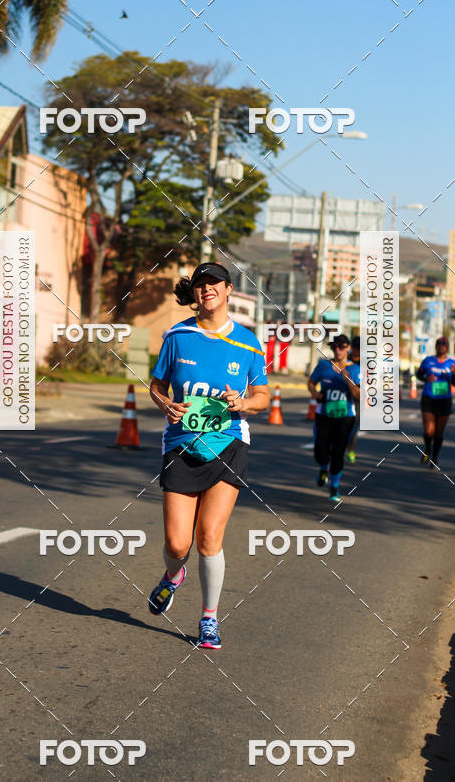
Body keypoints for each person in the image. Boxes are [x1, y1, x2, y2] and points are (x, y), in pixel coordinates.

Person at [148, 262, 269, 649]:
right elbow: (156, 385)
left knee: (208, 537)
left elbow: (263, 397)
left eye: (214, 283)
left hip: (228, 444)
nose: (207, 289)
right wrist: (165, 404)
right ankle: (171, 577)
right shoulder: (177, 336)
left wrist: (244, 403)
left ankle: (209, 619)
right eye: (200, 284)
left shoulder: (248, 343)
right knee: (177, 544)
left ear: (229, 289)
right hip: (181, 445)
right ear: (195, 293)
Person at [308, 333, 361, 503]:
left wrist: (349, 380)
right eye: (335, 346)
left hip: (345, 417)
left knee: (338, 453)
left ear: (348, 348)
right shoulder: (323, 365)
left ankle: (334, 487)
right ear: (332, 348)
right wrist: (315, 393)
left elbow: (359, 396)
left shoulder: (355, 369)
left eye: (342, 346)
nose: (338, 349)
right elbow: (310, 382)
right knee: (320, 453)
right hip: (324, 414)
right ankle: (323, 468)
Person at [416, 336, 455, 467]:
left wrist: (454, 374)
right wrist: (426, 378)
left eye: (444, 344)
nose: (441, 346)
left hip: (444, 400)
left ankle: (434, 458)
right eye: (439, 344)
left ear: (447, 347)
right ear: (436, 346)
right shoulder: (428, 361)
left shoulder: (452, 363)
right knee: (429, 431)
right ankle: (427, 449)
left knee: (439, 432)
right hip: (428, 398)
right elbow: (419, 374)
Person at [346, 335, 360, 463]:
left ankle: (351, 449)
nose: (357, 351)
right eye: (355, 348)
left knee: (353, 427)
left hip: (357, 399)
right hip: (343, 396)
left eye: (360, 348)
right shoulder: (346, 359)